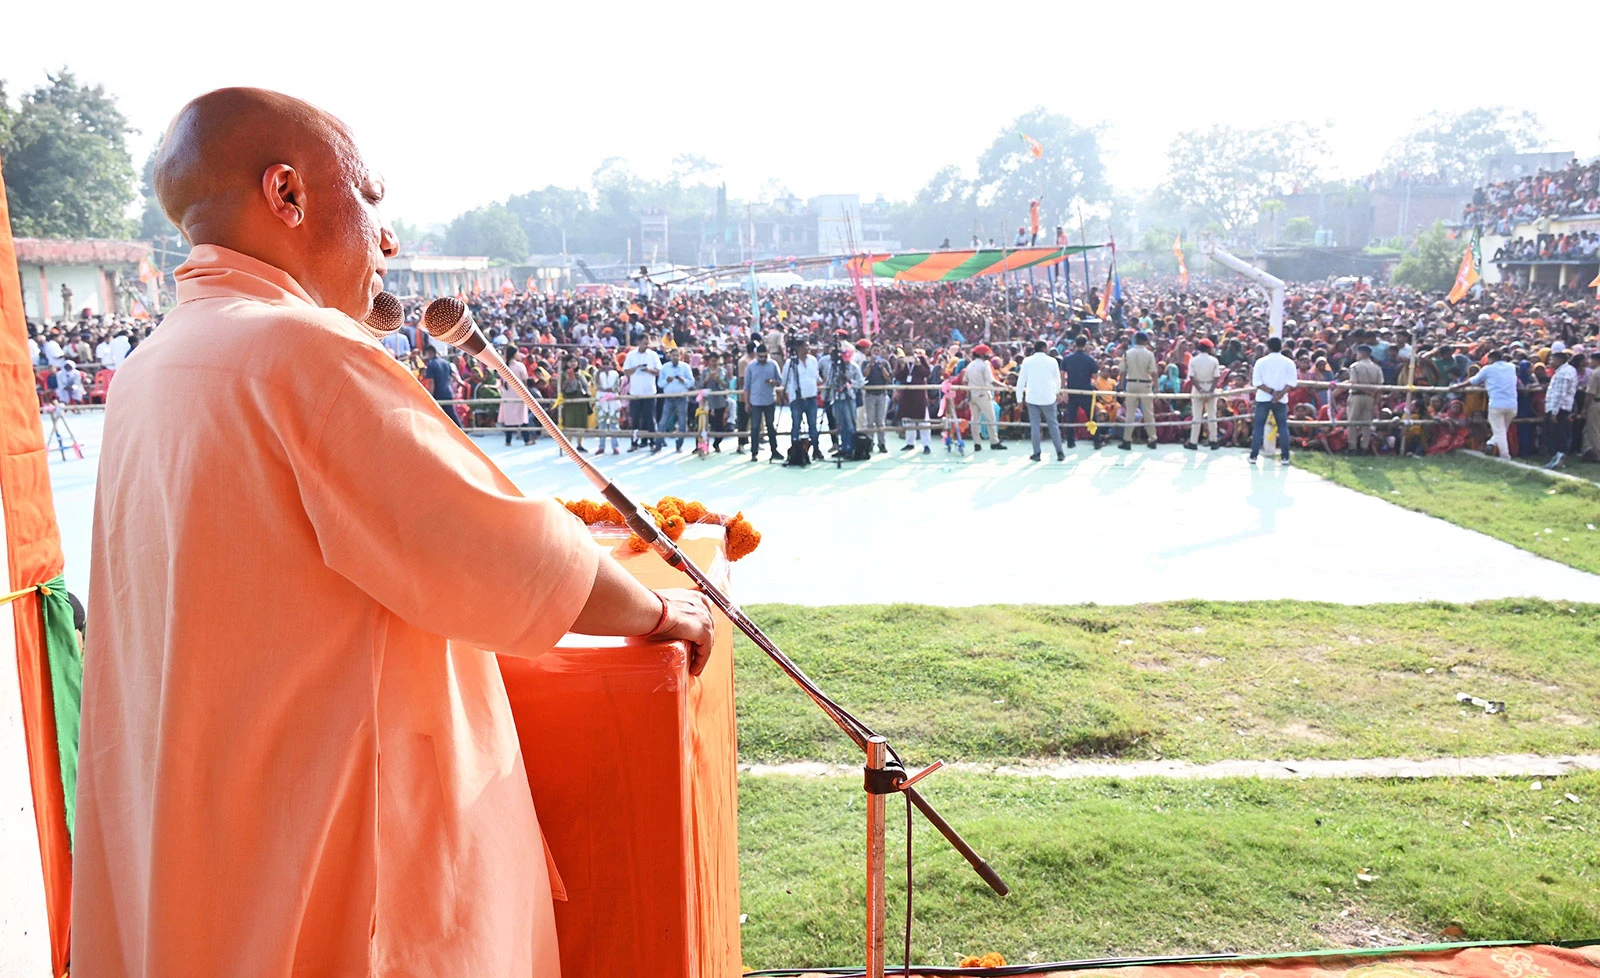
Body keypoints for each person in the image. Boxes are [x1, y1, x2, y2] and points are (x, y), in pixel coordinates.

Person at [75, 87, 714, 978]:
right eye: (368, 195)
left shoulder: (155, 363)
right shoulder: (299, 353)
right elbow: (497, 552)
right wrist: (658, 614)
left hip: (209, 829)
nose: (388, 238)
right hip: (335, 851)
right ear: (287, 195)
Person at [1454, 348, 1517, 458]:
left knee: (1499, 431)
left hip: (1496, 404)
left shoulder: (1488, 369)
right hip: (1512, 404)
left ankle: (1505, 456)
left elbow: (1473, 380)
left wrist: (1457, 386)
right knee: (1502, 430)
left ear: (1490, 359)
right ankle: (1491, 443)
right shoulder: (1511, 367)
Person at [1248, 335, 1297, 464]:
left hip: (1263, 397)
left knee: (1258, 427)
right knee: (1282, 427)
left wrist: (1271, 392)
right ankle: (1285, 457)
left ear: (1268, 347)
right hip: (1281, 399)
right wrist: (1279, 394)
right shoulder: (1289, 362)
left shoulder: (1261, 362)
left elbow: (1257, 382)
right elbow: (1292, 383)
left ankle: (1254, 456)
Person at [1015, 339, 1064, 461]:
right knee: (1053, 425)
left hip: (1032, 398)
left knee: (1035, 427)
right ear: (1043, 348)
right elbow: (1057, 380)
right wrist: (1057, 392)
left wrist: (1019, 399)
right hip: (1048, 397)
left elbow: (1021, 381)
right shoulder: (1052, 361)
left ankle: (1036, 453)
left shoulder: (1027, 361)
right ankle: (1060, 452)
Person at [782, 339, 822, 460]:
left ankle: (816, 449)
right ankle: (795, 450)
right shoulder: (790, 363)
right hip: (797, 399)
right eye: (805, 346)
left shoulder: (813, 361)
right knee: (796, 425)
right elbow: (785, 380)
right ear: (798, 348)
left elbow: (816, 377)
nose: (808, 348)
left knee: (813, 426)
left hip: (811, 398)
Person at [821, 348, 864, 457]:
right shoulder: (834, 367)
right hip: (836, 398)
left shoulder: (854, 367)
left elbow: (860, 383)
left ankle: (851, 447)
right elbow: (829, 382)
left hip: (849, 398)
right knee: (840, 424)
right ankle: (843, 446)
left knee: (850, 424)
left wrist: (849, 381)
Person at [1119, 330, 1157, 450]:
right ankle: (1152, 439)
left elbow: (1122, 371)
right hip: (1145, 384)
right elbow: (1154, 372)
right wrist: (1157, 387)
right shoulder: (1149, 354)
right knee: (1148, 413)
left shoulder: (1127, 353)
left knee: (1130, 413)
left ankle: (1127, 440)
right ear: (1145, 341)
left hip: (1131, 383)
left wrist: (1121, 386)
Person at [623, 336, 662, 453]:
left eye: (647, 344)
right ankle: (634, 442)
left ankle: (652, 442)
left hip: (649, 392)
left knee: (650, 418)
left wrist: (649, 370)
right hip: (635, 392)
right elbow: (626, 372)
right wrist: (636, 368)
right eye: (644, 343)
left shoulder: (653, 355)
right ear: (638, 342)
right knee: (635, 419)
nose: (646, 346)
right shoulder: (631, 355)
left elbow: (659, 372)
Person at [743, 345, 782, 461]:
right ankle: (754, 453)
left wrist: (773, 382)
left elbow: (779, 381)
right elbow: (746, 386)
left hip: (769, 400)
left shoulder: (773, 364)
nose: (763, 358)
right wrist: (746, 402)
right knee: (755, 428)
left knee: (771, 426)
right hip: (755, 401)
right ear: (756, 355)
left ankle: (774, 451)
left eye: (765, 356)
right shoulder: (750, 367)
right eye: (760, 357)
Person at [1059, 334, 1098, 449]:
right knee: (1091, 416)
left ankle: (1070, 441)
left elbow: (1062, 374)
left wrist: (1064, 390)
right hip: (1086, 390)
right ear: (1085, 345)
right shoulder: (1090, 359)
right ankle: (1096, 440)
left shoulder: (1067, 358)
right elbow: (1095, 376)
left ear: (1075, 344)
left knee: (1071, 416)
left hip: (1072, 390)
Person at [962, 343, 1003, 451]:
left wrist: (968, 394)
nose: (988, 355)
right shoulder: (984, 365)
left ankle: (977, 443)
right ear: (981, 355)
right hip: (983, 394)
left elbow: (965, 381)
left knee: (975, 419)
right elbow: (991, 380)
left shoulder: (970, 365)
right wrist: (1005, 386)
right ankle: (994, 442)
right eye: (986, 353)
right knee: (990, 418)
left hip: (972, 394)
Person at [1345, 344, 1384, 455]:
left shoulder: (1355, 366)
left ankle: (1352, 446)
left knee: (1352, 422)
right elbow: (1380, 385)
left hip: (1357, 395)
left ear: (1361, 353)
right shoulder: (1377, 367)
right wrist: (1375, 397)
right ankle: (1364, 446)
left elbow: (1354, 383)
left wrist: (1367, 391)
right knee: (1366, 423)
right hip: (1370, 397)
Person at [1185, 338, 1221, 450]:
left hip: (1198, 387)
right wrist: (1210, 390)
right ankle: (1213, 440)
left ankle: (1193, 441)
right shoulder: (1214, 360)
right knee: (1212, 415)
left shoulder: (1193, 360)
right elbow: (1216, 377)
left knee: (1196, 416)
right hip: (1210, 386)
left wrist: (1199, 388)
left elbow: (1191, 377)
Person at [1543, 350, 1577, 469]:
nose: (1550, 362)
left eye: (1552, 359)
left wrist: (1554, 412)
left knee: (1557, 435)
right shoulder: (1566, 371)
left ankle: (1558, 459)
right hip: (1561, 407)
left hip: (1558, 409)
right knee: (1558, 434)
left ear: (1560, 360)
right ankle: (1557, 459)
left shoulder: (1563, 373)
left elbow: (1560, 393)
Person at [658, 347, 695, 452]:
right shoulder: (665, 367)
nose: (675, 357)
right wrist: (667, 381)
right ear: (670, 356)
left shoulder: (685, 367)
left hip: (682, 398)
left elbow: (691, 382)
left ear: (680, 356)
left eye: (677, 355)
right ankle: (658, 444)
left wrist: (684, 381)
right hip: (668, 398)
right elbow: (660, 384)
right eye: (673, 355)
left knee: (682, 423)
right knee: (663, 422)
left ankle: (679, 445)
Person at [860, 339, 893, 454]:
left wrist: (882, 367)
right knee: (870, 421)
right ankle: (869, 443)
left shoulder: (885, 363)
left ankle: (882, 443)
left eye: (878, 351)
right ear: (871, 352)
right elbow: (864, 375)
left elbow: (888, 378)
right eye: (874, 351)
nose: (876, 353)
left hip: (882, 394)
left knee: (881, 421)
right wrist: (870, 364)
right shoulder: (865, 363)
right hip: (869, 394)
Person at [498, 346, 534, 446]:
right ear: (514, 353)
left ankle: (508, 440)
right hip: (519, 393)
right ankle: (526, 440)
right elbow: (525, 379)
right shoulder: (520, 366)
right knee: (522, 417)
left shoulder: (503, 366)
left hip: (507, 393)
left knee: (509, 418)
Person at [423, 345, 460, 427]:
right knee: (452, 415)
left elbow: (431, 382)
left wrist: (430, 396)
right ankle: (462, 431)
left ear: (430, 353)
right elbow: (452, 377)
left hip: (438, 393)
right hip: (448, 392)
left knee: (435, 415)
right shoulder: (446, 363)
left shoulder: (431, 365)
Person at [593, 354, 623, 455]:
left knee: (614, 424)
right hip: (601, 398)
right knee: (602, 424)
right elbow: (596, 385)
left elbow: (616, 386)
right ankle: (601, 447)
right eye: (604, 363)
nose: (606, 365)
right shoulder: (597, 373)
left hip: (613, 399)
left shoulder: (615, 373)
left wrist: (610, 390)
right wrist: (599, 373)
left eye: (607, 363)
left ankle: (615, 446)